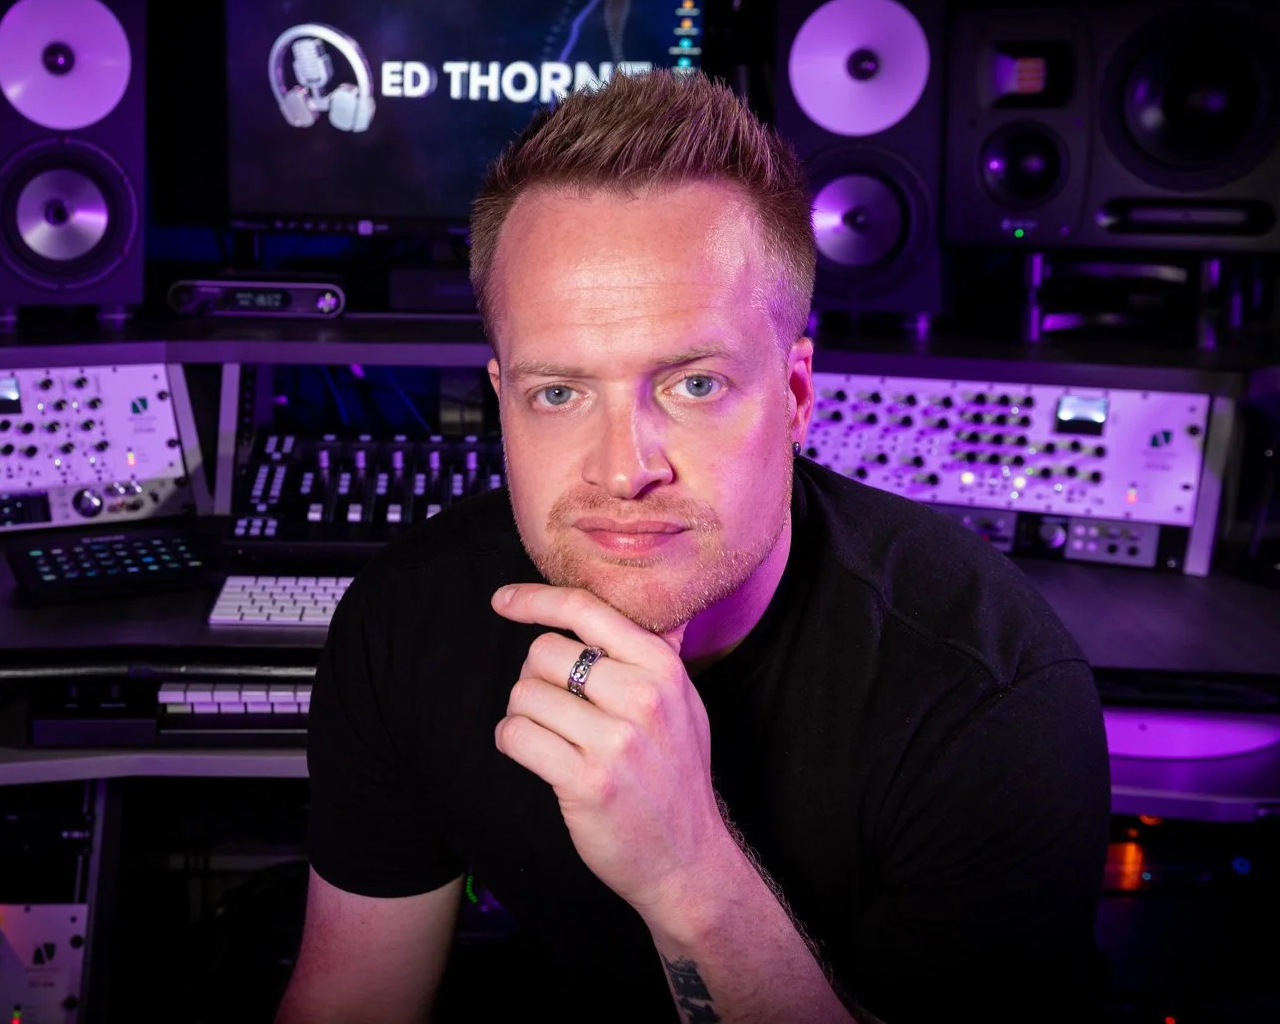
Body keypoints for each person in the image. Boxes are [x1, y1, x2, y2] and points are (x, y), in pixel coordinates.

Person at [275, 70, 1110, 1024]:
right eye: (559, 393)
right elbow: (352, 1001)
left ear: (795, 395)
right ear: (502, 399)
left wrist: (688, 875)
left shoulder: (995, 699)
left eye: (694, 385)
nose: (624, 470)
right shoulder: (406, 620)